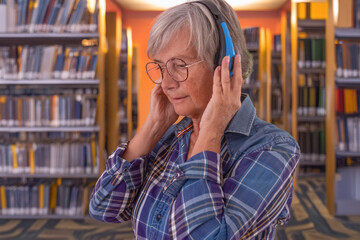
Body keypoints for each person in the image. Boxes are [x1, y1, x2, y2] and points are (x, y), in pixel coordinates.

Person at [89, 0, 300, 239]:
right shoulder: (173, 136)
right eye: (160, 67)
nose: (166, 83)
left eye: (179, 65)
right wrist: (154, 126)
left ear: (226, 65)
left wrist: (210, 131)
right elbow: (104, 207)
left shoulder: (272, 149)